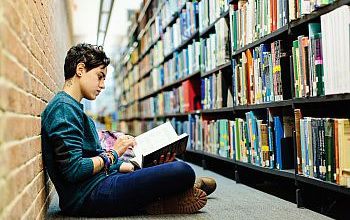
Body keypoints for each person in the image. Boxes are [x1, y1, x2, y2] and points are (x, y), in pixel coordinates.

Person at [41, 43, 216, 217]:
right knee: (182, 171)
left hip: (100, 181)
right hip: (88, 196)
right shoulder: (63, 109)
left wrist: (134, 166)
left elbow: (93, 159)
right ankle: (161, 199)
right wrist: (114, 153)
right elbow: (73, 170)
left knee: (170, 165)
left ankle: (168, 193)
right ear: (80, 69)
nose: (102, 85)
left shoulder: (73, 108)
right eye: (99, 76)